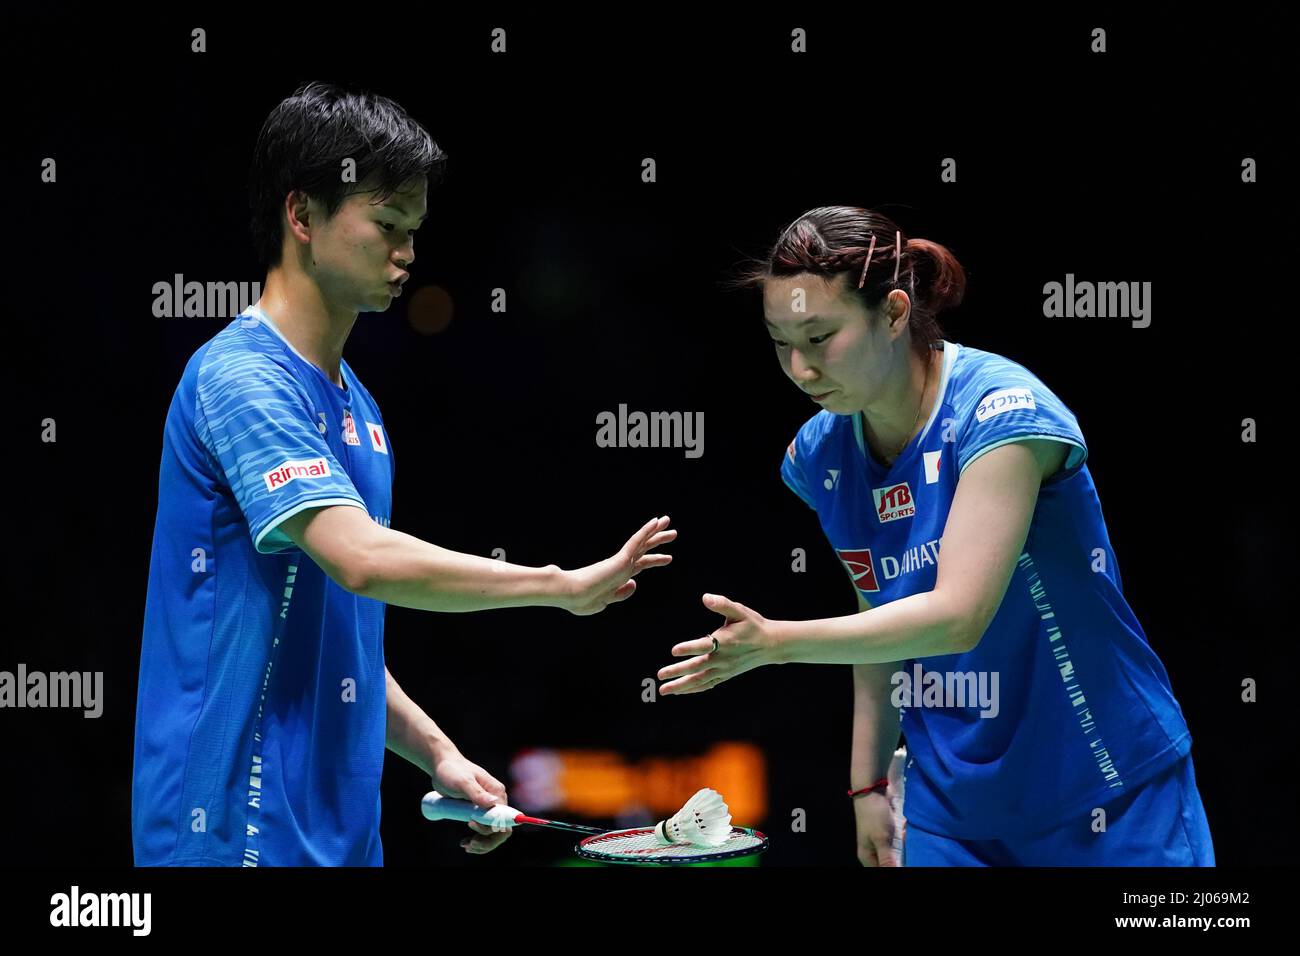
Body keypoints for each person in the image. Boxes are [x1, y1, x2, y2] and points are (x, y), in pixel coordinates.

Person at [132, 82, 675, 866]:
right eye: (387, 224)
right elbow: (364, 561)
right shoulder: (240, 379)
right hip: (227, 834)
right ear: (303, 216)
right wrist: (557, 585)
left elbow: (338, 638)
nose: (408, 253)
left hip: (346, 840)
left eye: (414, 230)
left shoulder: (364, 412)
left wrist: (437, 752)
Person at [656, 206, 1213, 866]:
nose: (800, 369)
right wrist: (866, 785)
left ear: (893, 314)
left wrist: (775, 643)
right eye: (781, 343)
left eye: (820, 337)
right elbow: (879, 620)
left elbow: (956, 618)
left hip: (1106, 790)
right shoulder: (820, 456)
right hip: (953, 815)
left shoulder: (1001, 413)